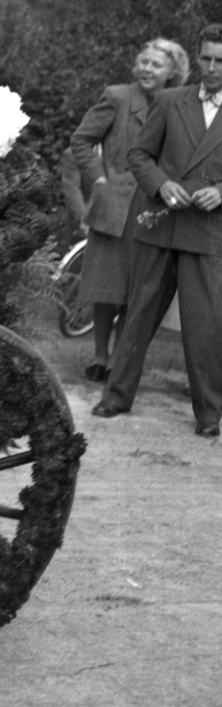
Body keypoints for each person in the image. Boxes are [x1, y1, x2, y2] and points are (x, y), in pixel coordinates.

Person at [92, 25, 222, 436]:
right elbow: (139, 154)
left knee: (205, 325)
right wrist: (161, 185)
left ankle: (208, 415)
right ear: (197, 58)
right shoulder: (170, 100)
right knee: (139, 314)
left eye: (220, 60)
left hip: (207, 231)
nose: (212, 68)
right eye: (206, 58)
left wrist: (220, 192)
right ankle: (115, 397)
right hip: (161, 222)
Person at [71, 39, 190, 381]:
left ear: (173, 73)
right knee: (107, 286)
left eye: (156, 65)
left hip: (154, 207)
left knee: (137, 289)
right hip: (114, 206)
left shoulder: (178, 105)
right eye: (144, 62)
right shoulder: (117, 96)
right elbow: (81, 140)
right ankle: (98, 357)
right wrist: (98, 180)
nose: (147, 70)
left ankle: (119, 361)